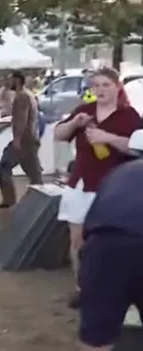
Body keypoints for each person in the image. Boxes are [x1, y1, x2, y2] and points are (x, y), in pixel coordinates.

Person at [62, 145, 143, 351]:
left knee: (97, 332)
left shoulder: (118, 173)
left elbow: (81, 237)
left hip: (104, 247)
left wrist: (87, 279)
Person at [53, 67, 140, 309]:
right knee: (77, 240)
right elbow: (59, 134)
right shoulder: (84, 110)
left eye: (105, 85)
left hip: (114, 188)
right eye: (96, 85)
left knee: (113, 241)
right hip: (81, 183)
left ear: (117, 87)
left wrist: (108, 138)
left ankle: (116, 290)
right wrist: (74, 123)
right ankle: (82, 288)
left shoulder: (129, 116)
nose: (100, 90)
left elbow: (137, 148)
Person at [0, 72, 43, 208]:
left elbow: (22, 119)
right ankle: (39, 202)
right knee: (34, 175)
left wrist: (17, 139)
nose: (8, 83)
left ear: (17, 80)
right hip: (29, 140)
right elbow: (20, 118)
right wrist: (4, 127)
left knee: (4, 167)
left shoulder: (21, 96)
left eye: (10, 80)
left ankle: (11, 200)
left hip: (24, 142)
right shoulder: (27, 94)